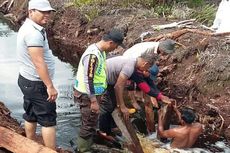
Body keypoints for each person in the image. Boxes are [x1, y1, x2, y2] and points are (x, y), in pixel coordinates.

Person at [74, 29, 124, 153]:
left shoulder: (101, 51)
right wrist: (93, 101)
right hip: (87, 95)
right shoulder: (93, 55)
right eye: (116, 46)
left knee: (91, 121)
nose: (115, 49)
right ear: (110, 43)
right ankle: (83, 150)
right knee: (88, 123)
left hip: (95, 94)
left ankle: (89, 144)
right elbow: (88, 79)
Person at [17, 0, 57, 150]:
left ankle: (31, 144)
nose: (47, 15)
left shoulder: (31, 27)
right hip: (36, 83)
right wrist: (50, 86)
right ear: (31, 11)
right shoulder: (33, 33)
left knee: (31, 113)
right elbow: (39, 62)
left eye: (48, 12)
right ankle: (51, 151)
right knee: (48, 120)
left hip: (27, 79)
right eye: (43, 12)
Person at [99, 51, 158, 136]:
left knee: (112, 103)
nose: (146, 70)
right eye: (148, 67)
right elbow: (118, 87)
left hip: (109, 81)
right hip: (101, 80)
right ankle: (103, 131)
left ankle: (111, 127)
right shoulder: (130, 66)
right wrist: (122, 106)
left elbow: (142, 84)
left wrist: (158, 96)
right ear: (145, 63)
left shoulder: (134, 64)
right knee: (106, 106)